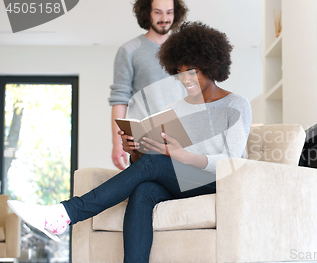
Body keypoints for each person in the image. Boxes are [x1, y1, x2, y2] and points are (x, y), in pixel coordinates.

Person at [8, 21, 252, 263]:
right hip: (181, 181)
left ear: (212, 66)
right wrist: (135, 149)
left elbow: (231, 161)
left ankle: (65, 214)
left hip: (219, 182)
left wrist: (181, 156)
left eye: (192, 72)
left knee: (155, 164)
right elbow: (149, 161)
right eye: (179, 73)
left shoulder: (235, 104)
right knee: (143, 190)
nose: (185, 80)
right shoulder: (174, 109)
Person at [110, 0, 188, 170]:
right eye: (158, 12)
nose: (164, 18)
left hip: (180, 140)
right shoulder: (129, 50)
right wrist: (117, 144)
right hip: (144, 140)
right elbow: (119, 99)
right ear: (147, 13)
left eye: (169, 12)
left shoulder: (184, 50)